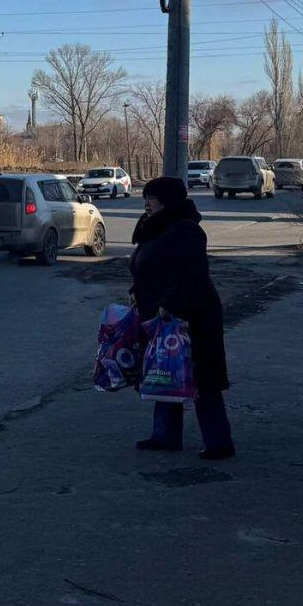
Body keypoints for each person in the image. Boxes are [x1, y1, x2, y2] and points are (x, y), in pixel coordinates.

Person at [129, 176, 234, 460]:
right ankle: (165, 435)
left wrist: (169, 304)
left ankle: (218, 442)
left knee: (202, 379)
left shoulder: (187, 230)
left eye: (152, 198)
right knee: (166, 372)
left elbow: (192, 274)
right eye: (146, 198)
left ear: (168, 200)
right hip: (162, 316)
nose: (147, 204)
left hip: (193, 316)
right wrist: (136, 292)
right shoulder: (154, 227)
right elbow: (148, 268)